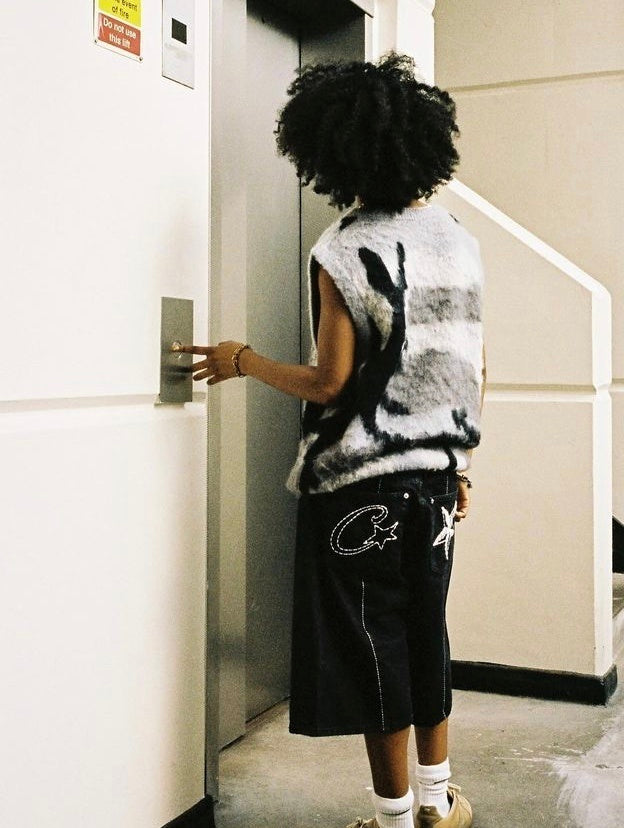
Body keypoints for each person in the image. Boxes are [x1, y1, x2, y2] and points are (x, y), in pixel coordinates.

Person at [181, 53, 484, 828]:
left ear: (334, 155)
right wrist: (458, 467)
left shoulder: (343, 249)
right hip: (435, 480)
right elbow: (470, 369)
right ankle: (438, 803)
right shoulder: (457, 240)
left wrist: (242, 360)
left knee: (374, 649)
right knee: (426, 633)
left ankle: (392, 820)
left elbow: (330, 382)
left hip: (358, 485)